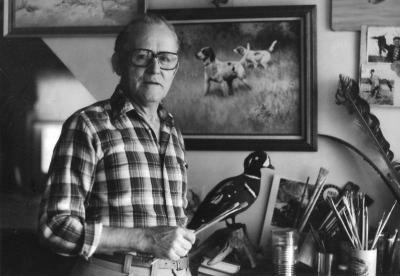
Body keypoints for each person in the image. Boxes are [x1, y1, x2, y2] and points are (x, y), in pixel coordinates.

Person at [38, 14, 196, 276]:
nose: (155, 69)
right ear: (118, 63)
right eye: (142, 56)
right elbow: (54, 228)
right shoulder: (88, 125)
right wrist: (144, 239)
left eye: (165, 59)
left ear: (175, 68)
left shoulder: (172, 130)